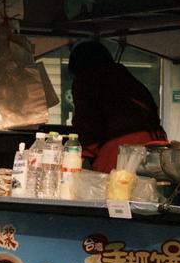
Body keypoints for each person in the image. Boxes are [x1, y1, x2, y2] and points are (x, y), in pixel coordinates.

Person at [68, 40, 167, 172]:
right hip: (154, 156)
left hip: (118, 158)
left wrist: (78, 155)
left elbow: (88, 124)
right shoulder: (128, 80)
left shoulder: (88, 80)